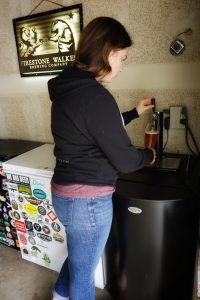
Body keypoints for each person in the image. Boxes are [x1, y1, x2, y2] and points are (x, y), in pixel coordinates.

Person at [48, 16, 156, 300]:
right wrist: (151, 155)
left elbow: (96, 126)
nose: (121, 67)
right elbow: (126, 161)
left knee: (78, 259)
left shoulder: (68, 89)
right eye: (123, 58)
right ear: (108, 53)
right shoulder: (95, 97)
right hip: (88, 202)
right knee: (84, 272)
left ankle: (59, 296)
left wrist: (133, 112)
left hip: (63, 192)